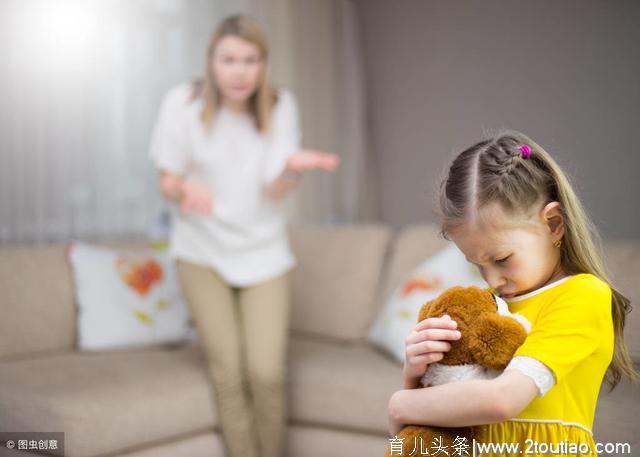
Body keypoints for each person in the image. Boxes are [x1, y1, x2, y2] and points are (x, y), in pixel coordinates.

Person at [148, 15, 339, 457]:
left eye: (250, 60)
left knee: (266, 372)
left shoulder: (280, 104)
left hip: (264, 254)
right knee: (227, 371)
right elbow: (167, 180)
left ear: (263, 64)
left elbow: (273, 190)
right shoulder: (182, 104)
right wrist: (183, 189)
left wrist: (293, 169)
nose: (239, 71)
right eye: (229, 59)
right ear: (212, 62)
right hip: (200, 251)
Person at [388, 131, 637, 455]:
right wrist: (415, 373)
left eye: (502, 259)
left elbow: (503, 401)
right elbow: (411, 437)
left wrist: (399, 403)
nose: (492, 280)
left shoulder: (583, 295)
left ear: (553, 224)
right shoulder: (489, 307)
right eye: (476, 265)